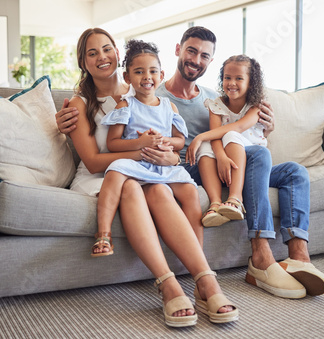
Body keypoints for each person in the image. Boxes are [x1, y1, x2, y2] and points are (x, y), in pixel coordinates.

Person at [57, 26, 324, 299]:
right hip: (187, 166)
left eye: (204, 55)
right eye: (191, 50)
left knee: (291, 170)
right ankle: (259, 256)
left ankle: (299, 258)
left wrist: (264, 130)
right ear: (177, 50)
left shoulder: (212, 98)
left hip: (220, 158)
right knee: (252, 157)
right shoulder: (150, 91)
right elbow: (123, 137)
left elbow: (228, 131)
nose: (196, 60)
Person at [62, 27, 238, 327]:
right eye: (92, 53)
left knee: (159, 190)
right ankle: (168, 285)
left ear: (118, 55)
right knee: (131, 185)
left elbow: (174, 142)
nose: (101, 57)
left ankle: (205, 281)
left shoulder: (144, 92)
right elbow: (92, 162)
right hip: (104, 174)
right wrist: (143, 151)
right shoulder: (79, 104)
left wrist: (168, 157)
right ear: (83, 62)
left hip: (147, 169)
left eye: (106, 49)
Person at [94, 39, 204, 256]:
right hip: (136, 163)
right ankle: (103, 235)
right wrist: (142, 143)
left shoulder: (168, 106)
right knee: (114, 173)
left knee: (191, 191)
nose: (147, 77)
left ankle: (198, 253)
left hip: (164, 165)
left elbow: (180, 140)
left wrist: (163, 140)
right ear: (127, 77)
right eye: (139, 71)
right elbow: (113, 143)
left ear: (161, 76)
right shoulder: (126, 105)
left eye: (153, 71)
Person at [185, 54, 266, 228]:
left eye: (239, 78)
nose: (231, 83)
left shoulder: (256, 106)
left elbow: (237, 128)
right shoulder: (217, 105)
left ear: (251, 82)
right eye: (227, 78)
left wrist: (199, 137)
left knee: (229, 135)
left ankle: (235, 199)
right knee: (206, 146)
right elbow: (214, 135)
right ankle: (215, 204)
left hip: (251, 154)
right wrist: (220, 156)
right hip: (226, 153)